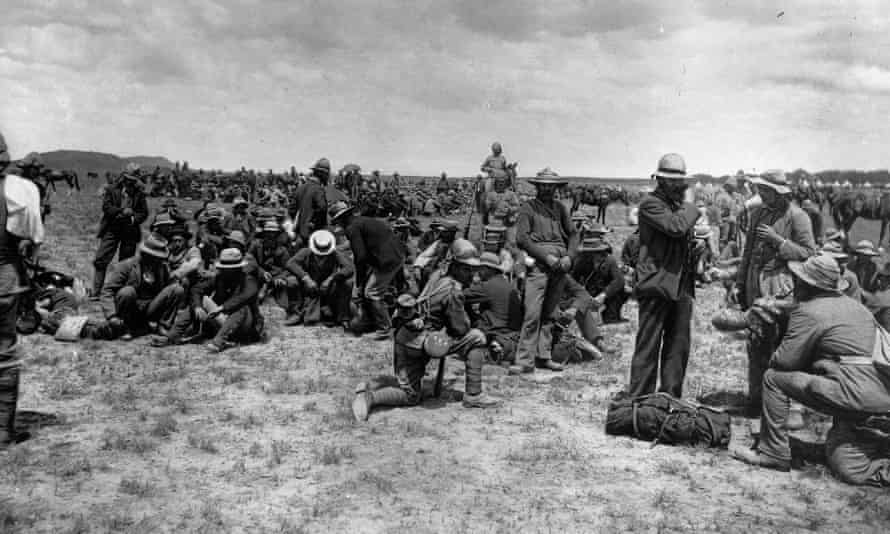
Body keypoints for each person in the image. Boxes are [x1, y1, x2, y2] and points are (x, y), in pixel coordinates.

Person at [732, 254, 890, 486]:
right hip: (877, 397)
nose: (795, 283)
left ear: (807, 284)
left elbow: (783, 363)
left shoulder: (808, 311)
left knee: (773, 379)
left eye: (798, 279)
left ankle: (773, 453)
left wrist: (770, 330)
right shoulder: (857, 308)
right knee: (847, 464)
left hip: (855, 395)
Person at [351, 240, 500, 421]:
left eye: (473, 270)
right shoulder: (453, 291)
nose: (472, 275)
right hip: (420, 344)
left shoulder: (438, 275)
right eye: (467, 269)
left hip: (405, 337)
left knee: (410, 393)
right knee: (476, 338)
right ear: (455, 267)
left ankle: (369, 393)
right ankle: (474, 394)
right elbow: (460, 329)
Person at [736, 170, 816, 415]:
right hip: (754, 282)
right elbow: (748, 251)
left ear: (780, 193)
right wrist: (740, 283)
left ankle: (785, 404)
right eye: (760, 190)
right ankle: (756, 398)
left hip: (782, 287)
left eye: (766, 191)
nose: (761, 194)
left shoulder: (798, 217)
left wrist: (778, 241)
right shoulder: (757, 213)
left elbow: (808, 254)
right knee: (756, 340)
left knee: (783, 345)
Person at [624, 154, 700, 399]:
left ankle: (669, 397)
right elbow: (675, 228)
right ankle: (640, 398)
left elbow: (680, 236)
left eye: (680, 180)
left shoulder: (677, 206)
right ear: (662, 180)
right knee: (649, 345)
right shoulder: (650, 204)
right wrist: (691, 203)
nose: (679, 185)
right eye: (673, 180)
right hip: (657, 282)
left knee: (678, 346)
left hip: (681, 284)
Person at [0, 131, 44, 447]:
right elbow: (31, 235)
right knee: (3, 351)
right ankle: (3, 431)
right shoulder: (17, 190)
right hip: (3, 276)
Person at [512, 167, 579, 374]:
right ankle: (524, 360)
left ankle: (544, 356)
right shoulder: (528, 208)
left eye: (551, 187)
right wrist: (546, 257)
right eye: (543, 186)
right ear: (537, 187)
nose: (547, 190)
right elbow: (522, 238)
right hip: (540, 266)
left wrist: (569, 256)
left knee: (551, 313)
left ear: (556, 188)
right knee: (532, 313)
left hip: (560, 265)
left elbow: (574, 234)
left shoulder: (560, 209)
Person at [330, 201, 404, 339]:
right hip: (394, 255)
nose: (337, 225)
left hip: (387, 261)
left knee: (372, 293)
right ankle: (371, 320)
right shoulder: (363, 221)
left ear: (341, 219)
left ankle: (384, 329)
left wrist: (359, 280)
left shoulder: (352, 228)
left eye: (337, 222)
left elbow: (360, 256)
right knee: (368, 291)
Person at [100, 235, 184, 340]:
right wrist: (111, 315)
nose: (158, 260)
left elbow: (169, 289)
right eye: (154, 257)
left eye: (159, 257)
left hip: (151, 306)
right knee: (127, 291)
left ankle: (163, 326)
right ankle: (125, 328)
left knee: (177, 289)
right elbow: (107, 290)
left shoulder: (162, 268)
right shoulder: (126, 265)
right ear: (145, 254)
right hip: (130, 307)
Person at [185, 248, 264, 353]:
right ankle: (172, 336)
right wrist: (197, 307)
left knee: (242, 307)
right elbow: (197, 289)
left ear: (238, 268)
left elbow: (243, 298)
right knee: (201, 300)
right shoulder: (219, 278)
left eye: (230, 268)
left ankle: (218, 342)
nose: (227, 270)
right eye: (225, 268)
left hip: (245, 328)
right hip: (224, 320)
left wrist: (222, 308)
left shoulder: (249, 280)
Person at [92, 164, 148, 298]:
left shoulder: (139, 194)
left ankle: (118, 292)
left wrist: (133, 217)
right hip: (112, 228)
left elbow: (144, 212)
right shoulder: (112, 189)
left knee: (125, 262)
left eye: (133, 180)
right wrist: (121, 211)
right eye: (127, 178)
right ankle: (96, 292)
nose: (129, 181)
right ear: (123, 177)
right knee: (101, 259)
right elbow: (106, 207)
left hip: (129, 231)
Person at [285, 230, 354, 327]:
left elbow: (349, 267)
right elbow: (290, 264)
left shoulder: (335, 253)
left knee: (347, 283)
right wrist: (306, 278)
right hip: (308, 288)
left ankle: (342, 316)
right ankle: (295, 313)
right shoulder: (306, 251)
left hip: (328, 290)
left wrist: (331, 278)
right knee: (291, 281)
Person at [463, 252, 522, 364]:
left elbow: (460, 295)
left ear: (488, 269)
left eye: (480, 269)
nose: (478, 272)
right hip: (510, 334)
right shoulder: (507, 284)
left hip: (496, 332)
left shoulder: (488, 286)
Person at [249, 221, 299, 322]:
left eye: (273, 233)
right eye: (268, 233)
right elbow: (249, 259)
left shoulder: (282, 250)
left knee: (292, 281)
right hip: (258, 276)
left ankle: (293, 310)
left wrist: (281, 277)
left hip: (275, 278)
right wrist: (261, 272)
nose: (270, 236)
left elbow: (288, 268)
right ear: (264, 233)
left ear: (277, 235)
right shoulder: (256, 245)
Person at [573, 237, 628, 323]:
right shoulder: (581, 261)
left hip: (608, 292)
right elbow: (574, 280)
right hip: (590, 293)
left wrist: (603, 295)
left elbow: (619, 280)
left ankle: (611, 314)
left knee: (624, 291)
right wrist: (583, 294)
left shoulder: (610, 260)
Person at [289, 158, 329, 246]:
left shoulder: (300, 188)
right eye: (327, 174)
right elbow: (322, 208)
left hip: (299, 236)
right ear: (322, 174)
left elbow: (291, 210)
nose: (328, 177)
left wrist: (300, 224)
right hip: (313, 236)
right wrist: (313, 223)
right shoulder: (318, 190)